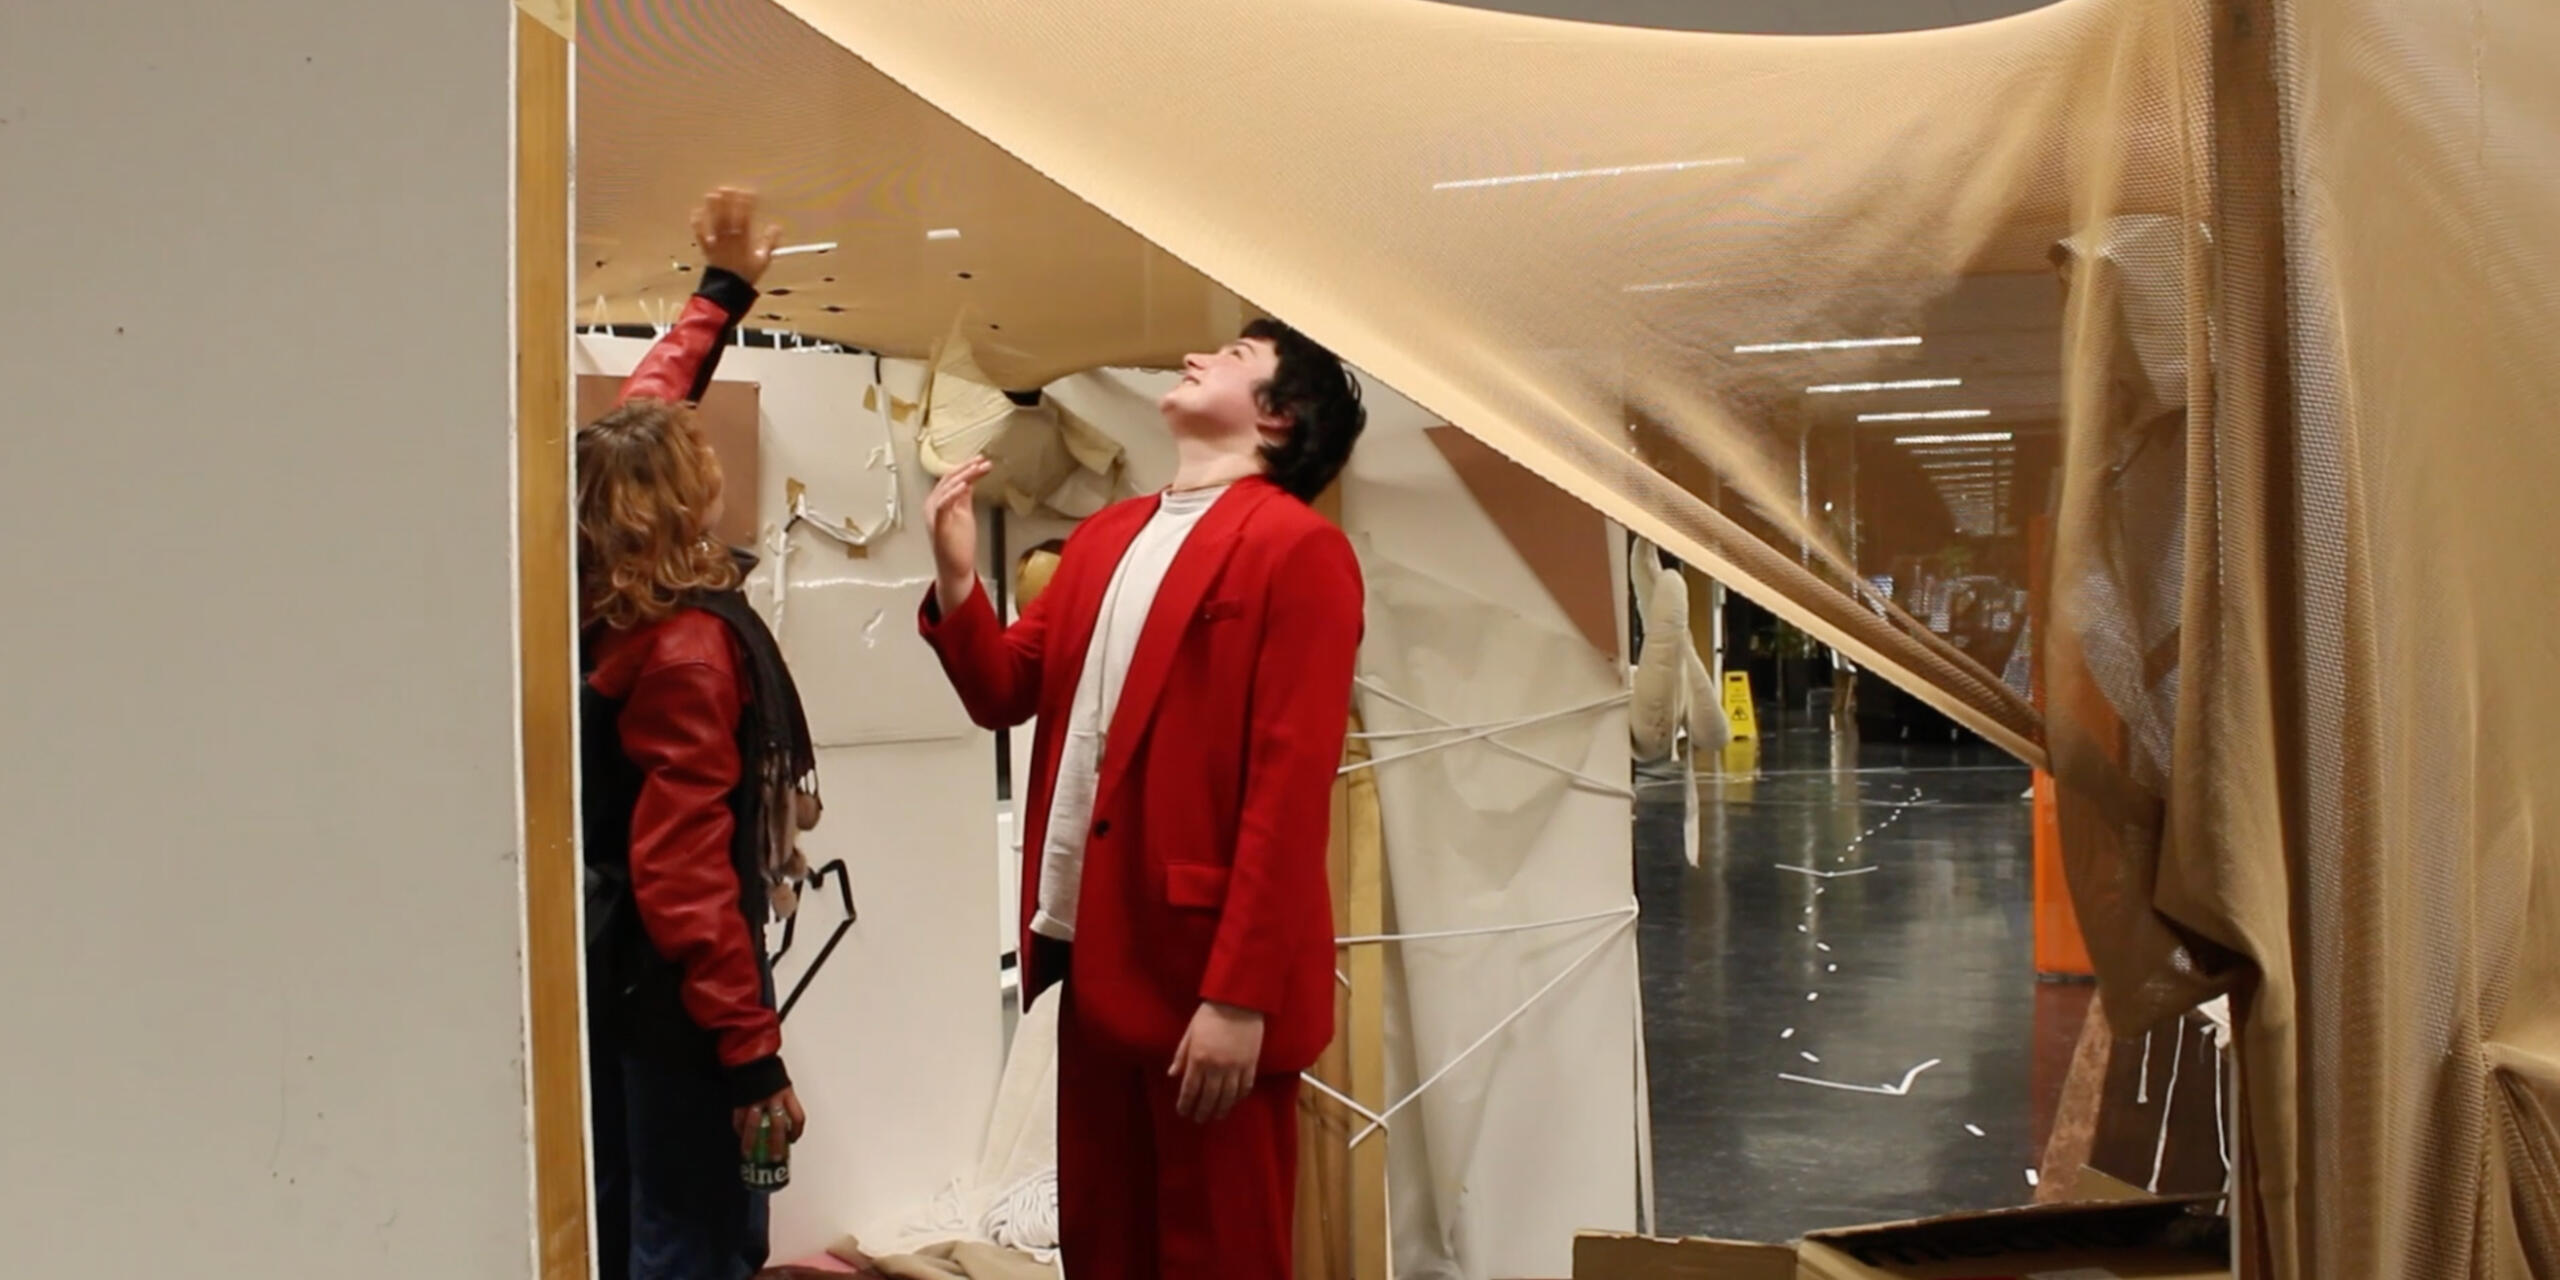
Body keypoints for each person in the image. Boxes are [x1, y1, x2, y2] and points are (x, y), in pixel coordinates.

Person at [919, 321, 1368, 1277]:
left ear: (1279, 419)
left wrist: (1239, 995)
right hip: (1091, 956)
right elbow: (1005, 689)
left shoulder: (1299, 549)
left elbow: (1288, 791)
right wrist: (960, 579)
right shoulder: (1106, 536)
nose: (1202, 355)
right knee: (1104, 1240)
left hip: (1206, 971)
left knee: (1221, 1252)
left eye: (1239, 359)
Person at [580, 186, 820, 1280]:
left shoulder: (590, 593)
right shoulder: (685, 650)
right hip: (681, 1004)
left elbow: (637, 417)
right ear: (689, 503)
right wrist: (751, 1058)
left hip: (614, 978)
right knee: (698, 1241)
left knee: (633, 1219)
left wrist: (722, 293)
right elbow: (685, 877)